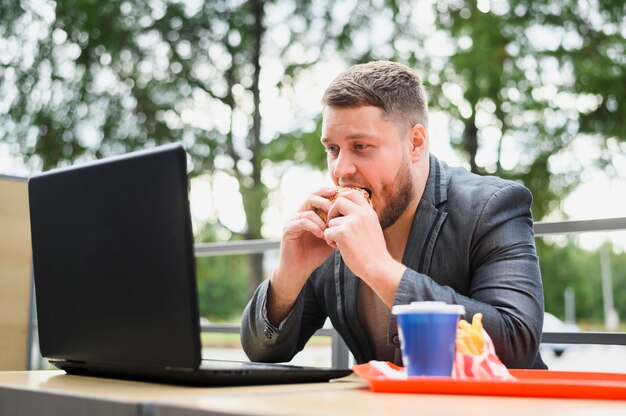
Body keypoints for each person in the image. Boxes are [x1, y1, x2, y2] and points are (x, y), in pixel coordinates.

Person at [240, 60, 546, 369]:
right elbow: (263, 352)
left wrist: (379, 268)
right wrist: (289, 276)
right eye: (333, 149)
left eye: (361, 146)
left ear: (415, 143)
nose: (340, 170)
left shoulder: (491, 206)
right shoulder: (332, 226)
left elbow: (516, 343)